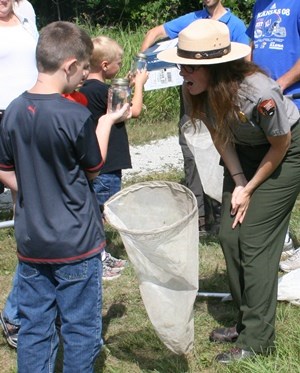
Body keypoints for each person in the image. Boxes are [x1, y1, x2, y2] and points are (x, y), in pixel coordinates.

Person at [158, 19, 300, 363]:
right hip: (243, 154)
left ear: (215, 67)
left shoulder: (259, 93)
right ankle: (245, 320)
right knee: (229, 236)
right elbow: (220, 134)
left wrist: (250, 188)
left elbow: (280, 144)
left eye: (189, 66)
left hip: (284, 155)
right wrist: (237, 181)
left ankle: (258, 341)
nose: (181, 71)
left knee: (254, 243)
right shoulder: (194, 88)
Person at [0, 20, 131, 372]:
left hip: (32, 244)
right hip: (76, 244)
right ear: (70, 66)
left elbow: (5, 169)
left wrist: (31, 188)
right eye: (84, 70)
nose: (84, 78)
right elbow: (93, 169)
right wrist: (105, 123)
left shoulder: (11, 111)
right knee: (81, 329)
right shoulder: (74, 116)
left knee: (35, 327)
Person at [141, 0, 249, 235]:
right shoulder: (192, 20)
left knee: (221, 151)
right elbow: (154, 32)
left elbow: (245, 62)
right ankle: (198, 217)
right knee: (191, 152)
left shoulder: (235, 25)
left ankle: (223, 211)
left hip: (219, 97)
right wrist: (140, 62)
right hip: (192, 95)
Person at [79, 35, 148, 280]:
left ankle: (100, 255)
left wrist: (125, 87)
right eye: (119, 62)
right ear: (106, 65)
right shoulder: (103, 92)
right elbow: (134, 110)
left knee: (95, 211)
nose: (121, 66)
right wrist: (139, 84)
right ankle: (97, 258)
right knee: (100, 213)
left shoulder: (88, 91)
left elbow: (115, 104)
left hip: (97, 162)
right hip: (107, 167)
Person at [246, 0, 300, 271]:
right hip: (264, 105)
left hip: (294, 102)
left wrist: (279, 84)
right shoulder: (259, 6)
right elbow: (251, 50)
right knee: (275, 175)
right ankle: (285, 242)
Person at [0, 0, 38, 349]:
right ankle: (16, 313)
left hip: (35, 111)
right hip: (4, 117)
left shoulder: (26, 11)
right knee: (29, 211)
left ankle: (24, 309)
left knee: (31, 210)